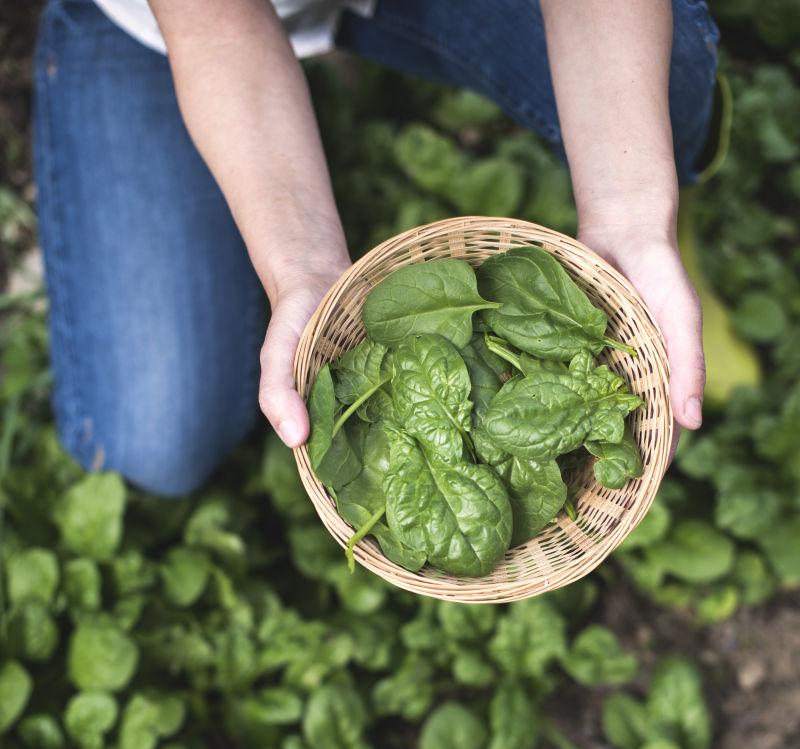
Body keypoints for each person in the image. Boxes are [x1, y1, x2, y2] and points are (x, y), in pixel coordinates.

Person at [33, 0, 719, 497]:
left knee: (672, 63)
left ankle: (654, 251)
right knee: (157, 439)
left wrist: (631, 218)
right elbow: (214, 24)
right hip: (190, 27)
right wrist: (300, 267)